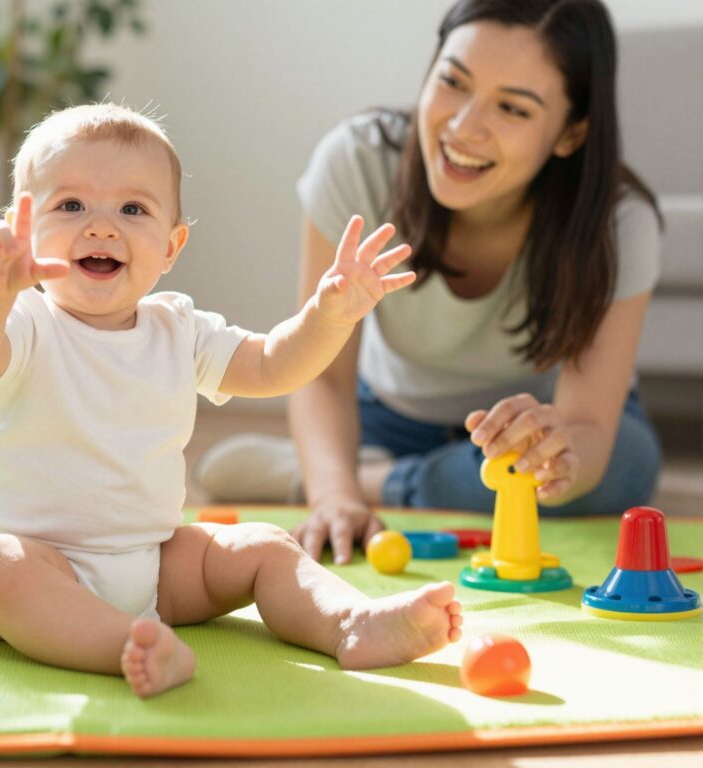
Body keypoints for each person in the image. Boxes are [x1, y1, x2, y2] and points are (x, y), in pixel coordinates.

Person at [0, 103, 463, 698]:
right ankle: (125, 645)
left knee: (264, 546)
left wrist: (329, 317)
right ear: (21, 230)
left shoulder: (179, 328)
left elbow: (271, 365)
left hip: (154, 566)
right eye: (71, 205)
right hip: (37, 562)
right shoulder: (25, 322)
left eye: (133, 209)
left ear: (171, 246)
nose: (102, 227)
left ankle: (349, 623)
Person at [195, 0, 663, 566]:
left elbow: (588, 423)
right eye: (453, 82)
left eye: (512, 108)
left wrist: (558, 454)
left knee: (623, 470)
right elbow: (325, 377)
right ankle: (351, 474)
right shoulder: (359, 162)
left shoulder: (619, 223)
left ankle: (365, 478)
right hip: (392, 415)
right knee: (479, 481)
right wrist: (334, 498)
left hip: (541, 420)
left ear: (571, 133)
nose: (463, 127)